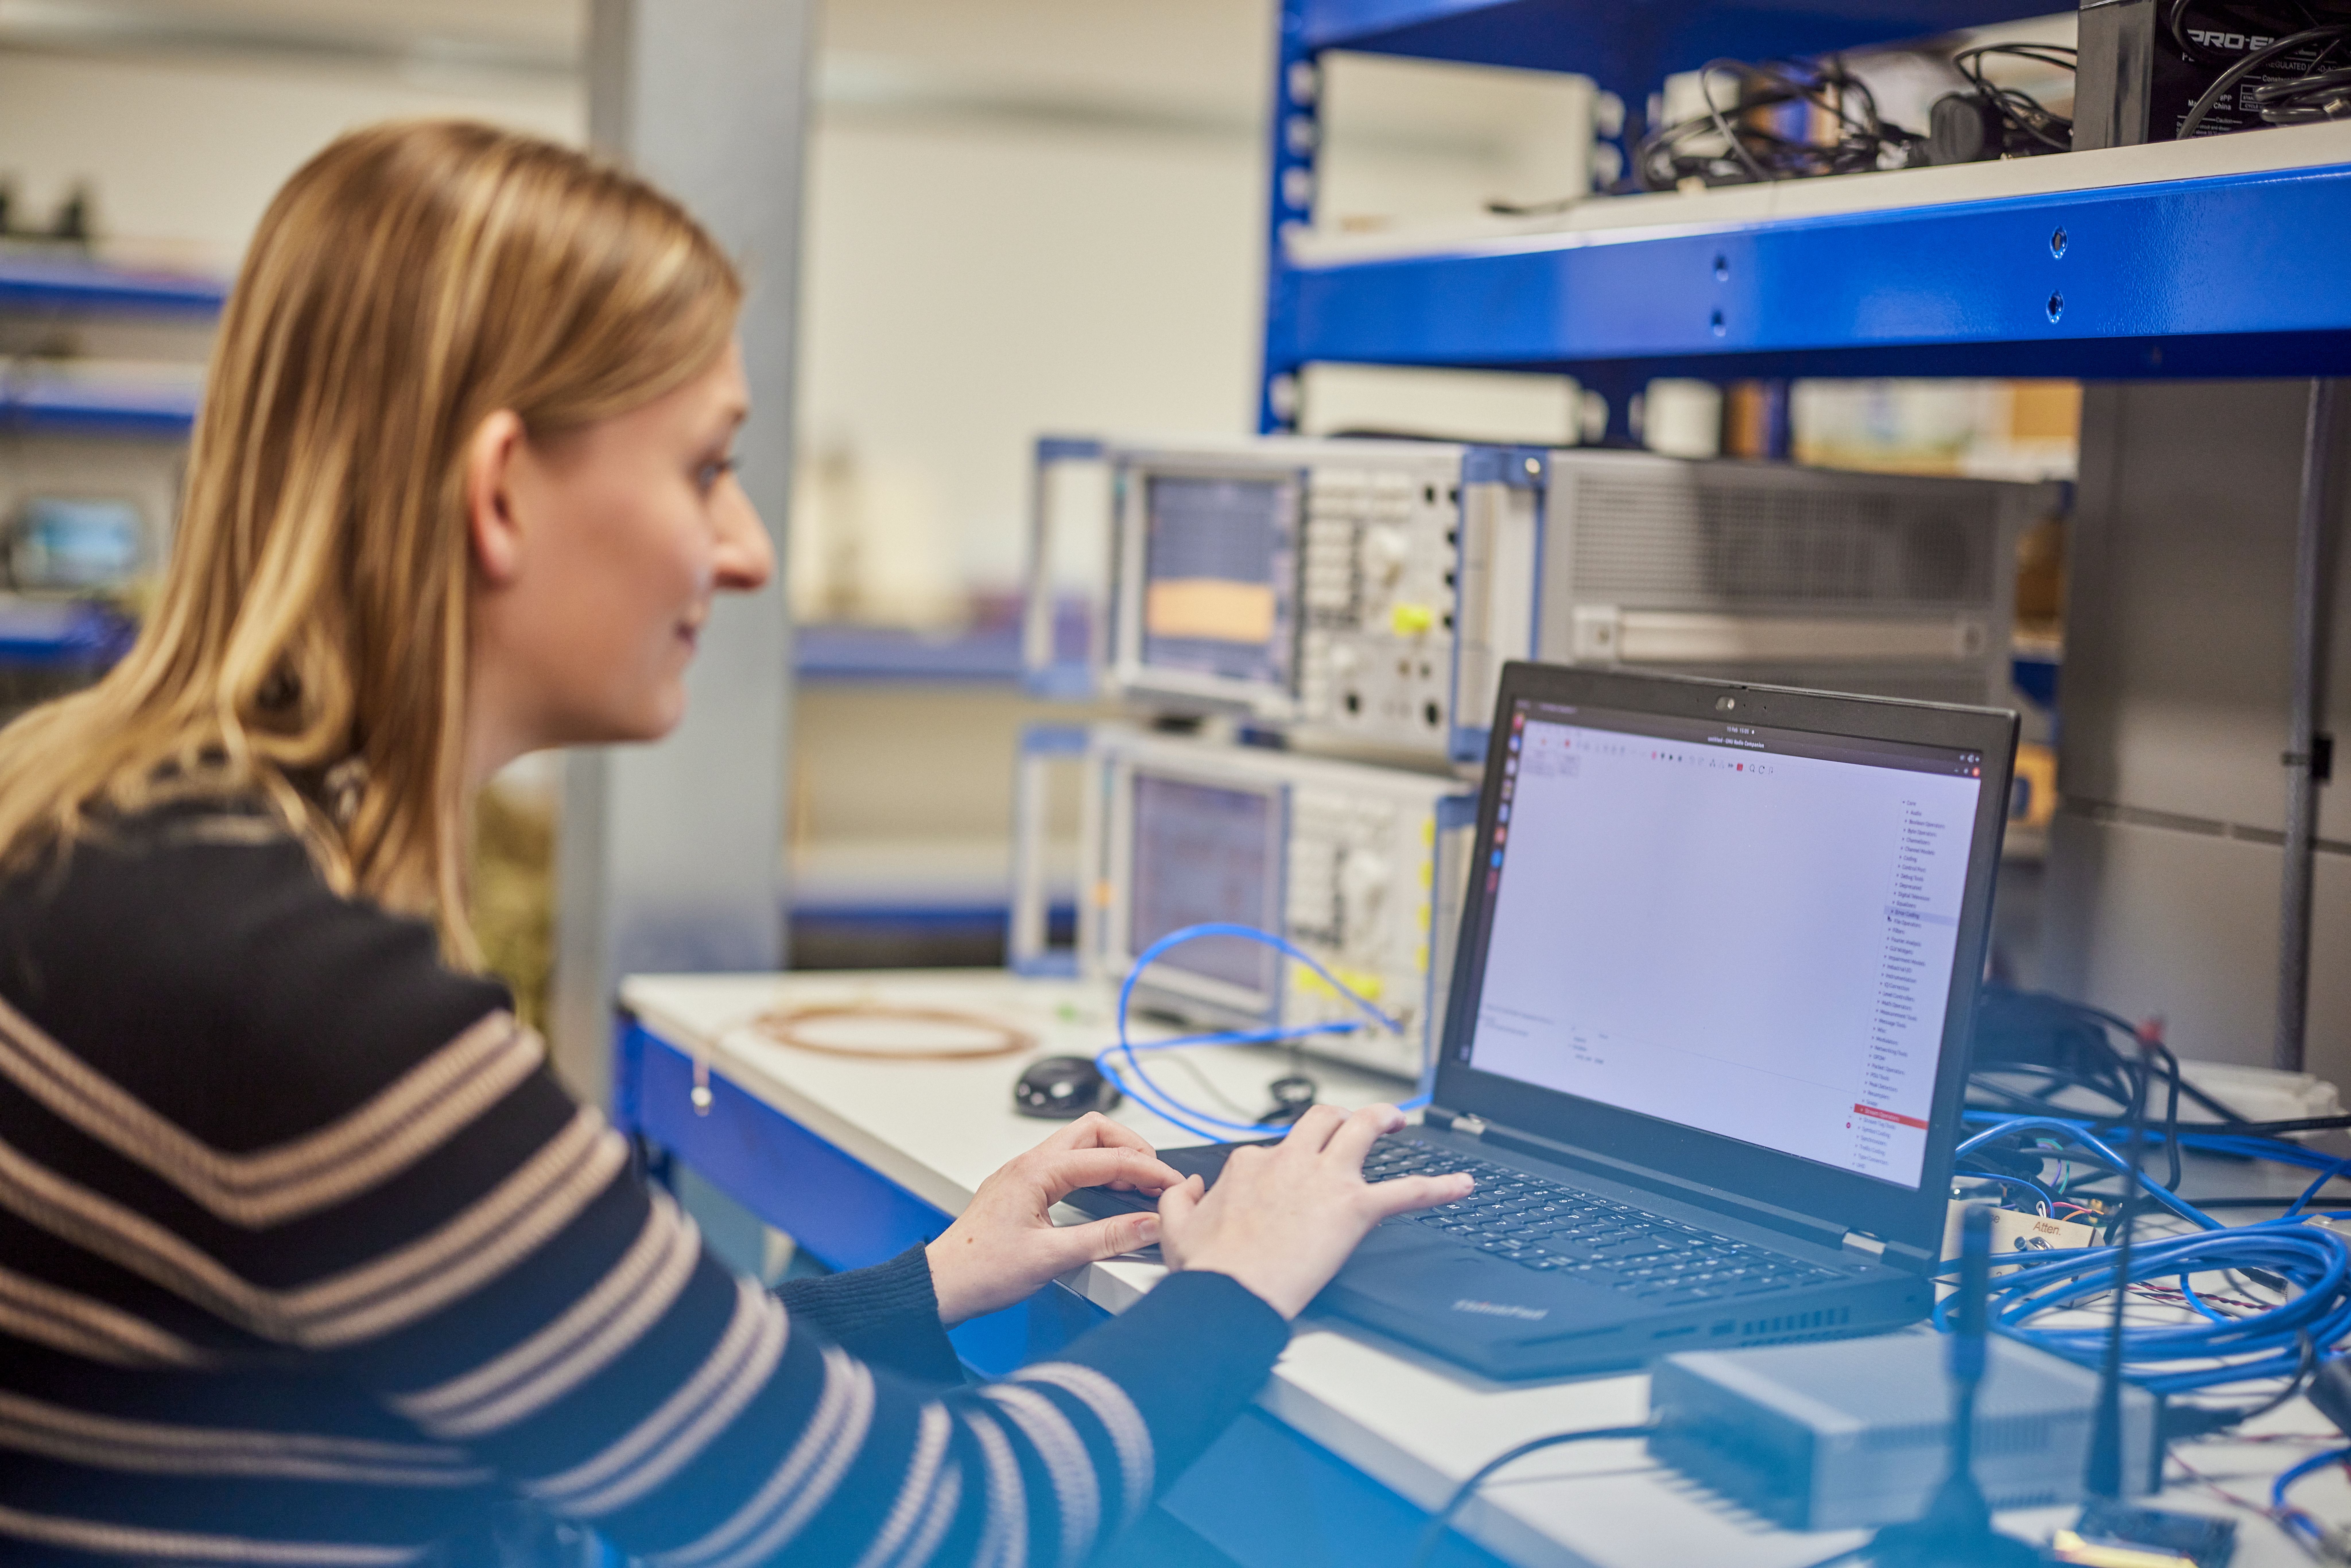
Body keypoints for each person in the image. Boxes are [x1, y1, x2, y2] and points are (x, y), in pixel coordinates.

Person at [0, 121, 1472, 1567]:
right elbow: (937, 1519)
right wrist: (1234, 1284)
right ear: (500, 491)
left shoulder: (105, 843)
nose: (749, 547)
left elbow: (537, 1388)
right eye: (707, 467)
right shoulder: (303, 1000)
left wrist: (927, 1283)